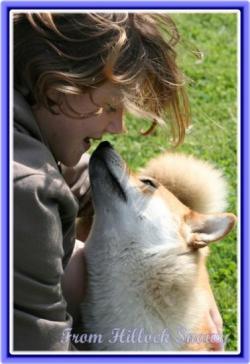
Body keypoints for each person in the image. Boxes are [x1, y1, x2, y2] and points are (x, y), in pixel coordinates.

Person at [13, 12, 222, 351]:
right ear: (58, 82)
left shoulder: (28, 121)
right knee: (81, 272)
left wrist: (190, 269)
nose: (118, 127)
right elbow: (39, 348)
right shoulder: (23, 188)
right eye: (111, 105)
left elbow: (88, 185)